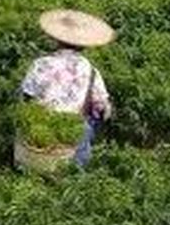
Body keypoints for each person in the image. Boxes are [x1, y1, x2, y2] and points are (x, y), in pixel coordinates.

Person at [19, 9, 115, 167]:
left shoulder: (40, 64)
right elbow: (102, 107)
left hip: (41, 128)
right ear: (83, 45)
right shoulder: (90, 70)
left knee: (37, 173)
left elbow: (26, 98)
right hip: (75, 129)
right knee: (74, 176)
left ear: (57, 40)